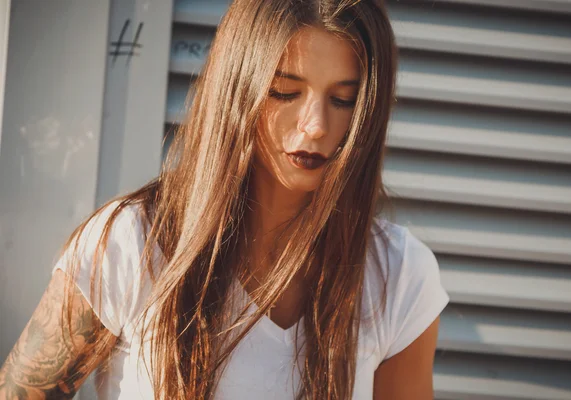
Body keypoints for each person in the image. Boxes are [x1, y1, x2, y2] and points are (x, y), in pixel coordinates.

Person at [0, 0, 449, 399]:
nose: (314, 124)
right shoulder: (132, 241)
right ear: (237, 87)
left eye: (344, 99)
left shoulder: (399, 275)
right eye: (285, 91)